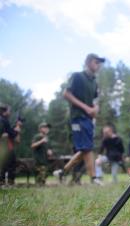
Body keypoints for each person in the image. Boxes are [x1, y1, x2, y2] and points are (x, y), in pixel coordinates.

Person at [53, 53, 105, 185]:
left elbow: (95, 100)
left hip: (88, 119)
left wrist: (95, 109)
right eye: (95, 62)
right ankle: (94, 179)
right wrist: (86, 108)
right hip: (77, 118)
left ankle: (62, 172)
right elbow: (66, 94)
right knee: (87, 148)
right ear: (87, 62)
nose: (98, 65)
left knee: (84, 149)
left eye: (99, 63)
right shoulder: (77, 76)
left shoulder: (94, 82)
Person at [0, 104, 22, 186]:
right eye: (9, 110)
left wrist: (15, 129)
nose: (10, 112)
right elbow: (10, 134)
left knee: (5, 165)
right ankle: (9, 182)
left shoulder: (4, 120)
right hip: (5, 147)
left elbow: (9, 132)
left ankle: (3, 183)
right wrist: (16, 130)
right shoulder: (3, 120)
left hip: (6, 147)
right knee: (10, 164)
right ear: (4, 111)